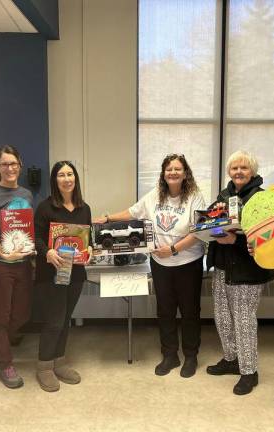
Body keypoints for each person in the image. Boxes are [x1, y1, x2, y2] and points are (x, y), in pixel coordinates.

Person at [95, 154, 206, 378]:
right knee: (164, 311)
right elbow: (132, 212)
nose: (173, 173)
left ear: (185, 174)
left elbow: (199, 231)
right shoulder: (155, 195)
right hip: (160, 263)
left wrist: (174, 249)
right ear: (163, 174)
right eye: (169, 169)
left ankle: (191, 356)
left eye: (177, 169)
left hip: (188, 262)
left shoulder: (195, 197)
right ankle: (170, 355)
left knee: (189, 311)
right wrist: (108, 219)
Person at [205, 150, 274, 395]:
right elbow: (211, 223)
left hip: (247, 269)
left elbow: (268, 235)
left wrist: (233, 240)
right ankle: (231, 358)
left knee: (244, 321)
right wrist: (209, 229)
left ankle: (249, 371)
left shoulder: (262, 199)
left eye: (243, 168)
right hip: (223, 266)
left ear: (253, 171)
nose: (238, 172)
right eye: (234, 168)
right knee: (223, 317)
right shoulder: (223, 196)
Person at [0, 145, 34, 389]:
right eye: (4, 164)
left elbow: (28, 229)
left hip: (23, 263)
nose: (9, 168)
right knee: (1, 316)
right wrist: (4, 254)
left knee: (22, 314)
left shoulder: (27, 194)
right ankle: (4, 363)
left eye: (13, 164)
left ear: (20, 165)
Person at [34, 161, 92, 392]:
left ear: (75, 179)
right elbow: (36, 238)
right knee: (54, 320)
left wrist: (90, 251)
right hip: (52, 272)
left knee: (65, 318)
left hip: (76, 273)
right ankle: (44, 367)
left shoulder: (83, 208)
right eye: (61, 175)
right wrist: (47, 251)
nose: (66, 179)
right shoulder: (45, 208)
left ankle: (59, 362)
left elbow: (88, 239)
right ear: (54, 180)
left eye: (70, 174)